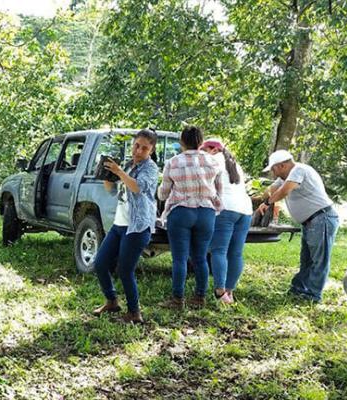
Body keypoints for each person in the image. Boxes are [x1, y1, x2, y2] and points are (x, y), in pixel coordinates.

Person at [91, 129, 159, 323]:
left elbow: (138, 187)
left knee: (125, 270)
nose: (138, 151)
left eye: (144, 148)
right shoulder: (129, 165)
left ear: (151, 150)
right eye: (136, 145)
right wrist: (107, 174)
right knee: (101, 263)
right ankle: (112, 301)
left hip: (137, 226)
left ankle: (134, 312)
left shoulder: (151, 168)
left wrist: (119, 172)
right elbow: (111, 191)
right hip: (120, 223)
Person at [257, 150, 339, 302]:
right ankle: (298, 289)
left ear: (282, 165)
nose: (273, 173)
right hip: (310, 222)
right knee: (306, 259)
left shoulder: (299, 170)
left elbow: (285, 190)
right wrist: (257, 198)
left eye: (273, 169)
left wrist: (268, 203)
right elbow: (271, 189)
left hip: (321, 218)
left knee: (319, 260)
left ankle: (313, 295)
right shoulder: (285, 176)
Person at [158, 126, 222, 309]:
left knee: (179, 258)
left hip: (181, 213)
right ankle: (199, 297)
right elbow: (219, 191)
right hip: (206, 213)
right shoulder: (213, 162)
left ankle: (177, 299)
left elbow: (163, 194)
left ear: (181, 142)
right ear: (201, 143)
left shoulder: (173, 162)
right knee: (200, 258)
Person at [200, 139, 252, 304]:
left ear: (213, 149)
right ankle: (229, 292)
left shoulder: (212, 161)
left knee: (219, 251)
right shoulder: (235, 164)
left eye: (204, 150)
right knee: (235, 253)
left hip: (225, 209)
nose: (202, 153)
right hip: (245, 210)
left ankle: (220, 291)